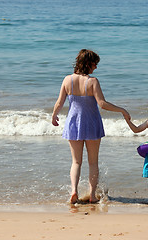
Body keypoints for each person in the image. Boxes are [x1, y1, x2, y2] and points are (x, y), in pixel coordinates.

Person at [52, 49, 130, 204]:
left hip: (73, 123)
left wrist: (54, 116)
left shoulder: (67, 80)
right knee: (93, 162)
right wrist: (121, 110)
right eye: (95, 64)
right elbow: (102, 104)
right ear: (88, 63)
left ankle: (74, 191)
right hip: (92, 123)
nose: (96, 67)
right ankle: (92, 195)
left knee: (76, 162)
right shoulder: (92, 81)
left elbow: (60, 102)